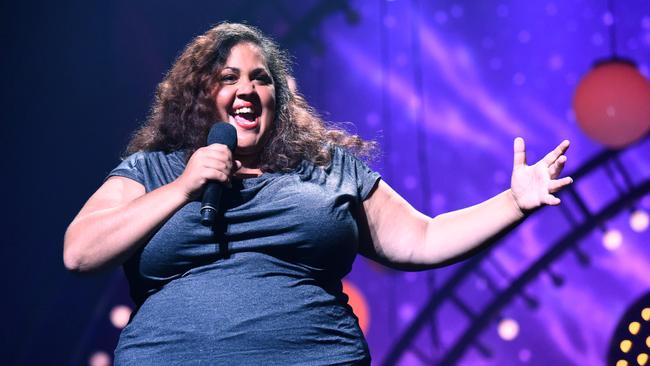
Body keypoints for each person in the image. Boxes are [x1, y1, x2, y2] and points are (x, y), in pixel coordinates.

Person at [63, 22, 572, 365]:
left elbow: (422, 238)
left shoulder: (327, 170)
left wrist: (513, 203)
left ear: (277, 97)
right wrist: (182, 187)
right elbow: (80, 253)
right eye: (228, 78)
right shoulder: (152, 170)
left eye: (261, 79)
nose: (247, 89)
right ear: (199, 95)